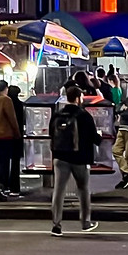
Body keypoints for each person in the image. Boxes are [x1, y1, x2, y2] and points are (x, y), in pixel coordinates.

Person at [48, 82, 101, 235]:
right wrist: (99, 136)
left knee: (58, 191)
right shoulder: (84, 116)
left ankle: (56, 225)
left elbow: (52, 134)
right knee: (83, 189)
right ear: (78, 98)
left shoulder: (57, 115)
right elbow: (95, 139)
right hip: (80, 158)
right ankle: (85, 222)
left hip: (60, 157)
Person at [0, 80, 25, 199]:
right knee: (4, 163)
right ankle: (2, 187)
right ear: (6, 88)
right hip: (5, 135)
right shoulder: (6, 100)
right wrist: (17, 133)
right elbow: (12, 118)